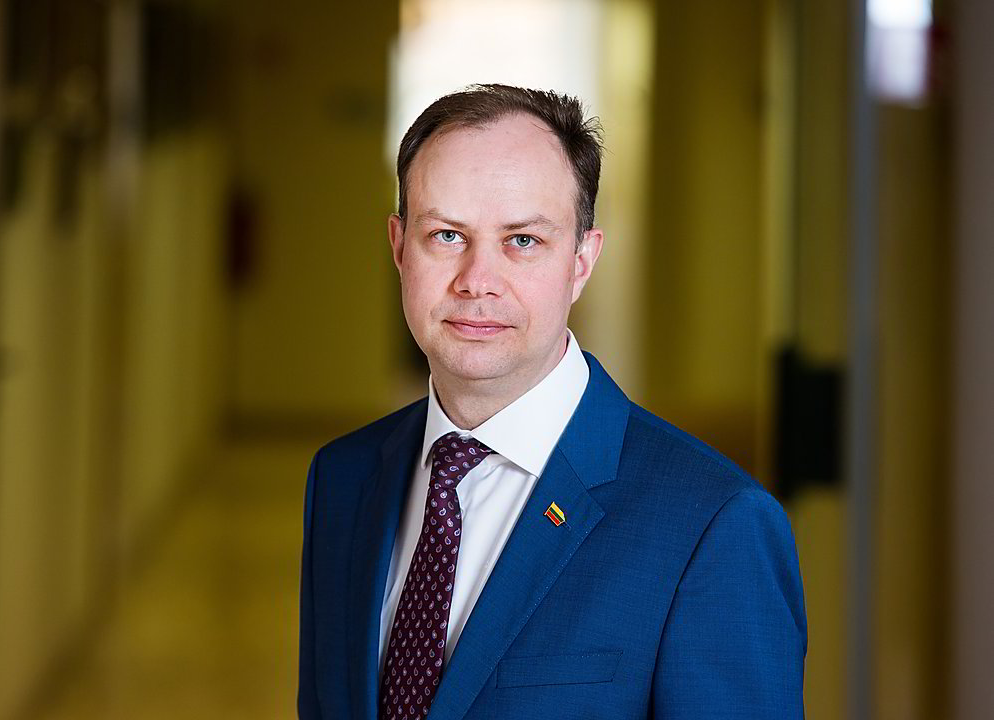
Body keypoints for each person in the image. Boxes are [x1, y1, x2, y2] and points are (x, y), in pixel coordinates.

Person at [297, 84, 806, 720]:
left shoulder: (715, 525)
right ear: (400, 247)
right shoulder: (342, 479)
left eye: (523, 241)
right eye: (447, 235)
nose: (477, 281)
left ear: (581, 261)